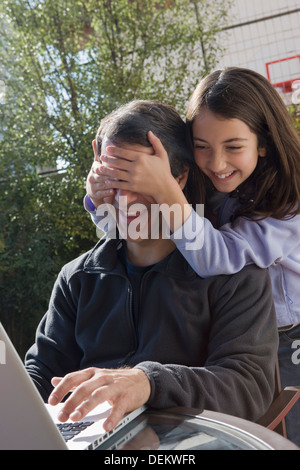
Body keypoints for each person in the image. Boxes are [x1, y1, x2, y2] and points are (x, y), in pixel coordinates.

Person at [25, 100, 278, 433]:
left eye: (139, 182)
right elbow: (42, 371)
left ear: (180, 177)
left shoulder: (235, 274)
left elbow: (249, 386)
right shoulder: (78, 278)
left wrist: (148, 381)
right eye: (113, 181)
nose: (124, 201)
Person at [86, 68, 300, 445]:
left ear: (263, 143)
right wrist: (101, 197)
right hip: (244, 329)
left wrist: (164, 187)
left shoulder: (289, 208)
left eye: (233, 146)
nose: (216, 163)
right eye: (202, 146)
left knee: (287, 427)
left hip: (288, 336)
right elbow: (138, 226)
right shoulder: (221, 182)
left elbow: (216, 257)